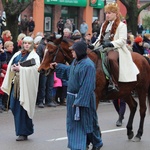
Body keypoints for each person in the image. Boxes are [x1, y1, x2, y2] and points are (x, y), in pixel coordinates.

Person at [50, 41, 103, 150]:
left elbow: (87, 86)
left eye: (73, 50)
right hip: (72, 98)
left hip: (83, 99)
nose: (72, 52)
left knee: (88, 123)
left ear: (79, 51)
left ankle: (95, 143)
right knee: (74, 124)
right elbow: (70, 72)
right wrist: (58, 67)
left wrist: (79, 101)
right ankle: (78, 146)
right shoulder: (75, 62)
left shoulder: (89, 65)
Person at [93, 2, 139, 92]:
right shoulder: (104, 25)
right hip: (103, 47)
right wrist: (93, 45)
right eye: (106, 13)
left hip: (116, 48)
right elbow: (99, 38)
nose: (107, 15)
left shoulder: (122, 25)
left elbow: (122, 40)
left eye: (109, 13)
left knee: (111, 59)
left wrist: (111, 44)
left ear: (115, 14)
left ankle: (115, 82)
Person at [1, 36, 40, 141]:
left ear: (32, 45)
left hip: (26, 85)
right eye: (25, 43)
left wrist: (21, 69)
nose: (26, 45)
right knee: (14, 106)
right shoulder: (17, 54)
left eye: (28, 43)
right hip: (16, 84)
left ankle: (24, 132)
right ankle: (24, 129)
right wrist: (13, 68)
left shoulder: (35, 56)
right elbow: (10, 65)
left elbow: (35, 70)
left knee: (23, 108)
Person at [36, 34, 57, 108]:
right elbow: (39, 57)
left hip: (50, 68)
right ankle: (40, 101)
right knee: (43, 85)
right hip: (44, 68)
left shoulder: (51, 46)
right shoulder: (40, 46)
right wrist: (46, 64)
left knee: (50, 85)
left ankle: (49, 100)